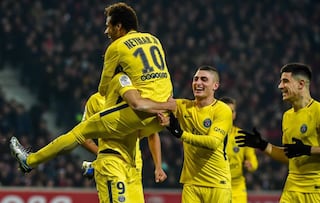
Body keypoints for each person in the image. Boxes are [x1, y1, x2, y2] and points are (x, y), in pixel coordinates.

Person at [10, 0, 174, 193]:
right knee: (126, 136)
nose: (106, 32)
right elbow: (162, 78)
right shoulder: (155, 40)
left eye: (108, 26)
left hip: (139, 111)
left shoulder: (117, 47)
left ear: (118, 26)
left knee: (80, 132)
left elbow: (103, 89)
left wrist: (121, 80)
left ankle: (30, 161)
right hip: (163, 114)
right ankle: (96, 166)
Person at [236, 63, 320, 203]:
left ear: (301, 84)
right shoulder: (287, 116)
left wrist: (307, 149)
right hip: (292, 187)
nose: (280, 86)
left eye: (285, 81)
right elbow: (290, 155)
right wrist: (263, 145)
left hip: (317, 188)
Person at [158, 65, 233, 203]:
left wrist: (181, 134)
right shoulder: (184, 106)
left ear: (215, 86)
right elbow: (159, 105)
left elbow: (213, 142)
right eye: (196, 79)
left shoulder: (222, 110)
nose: (198, 83)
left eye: (204, 79)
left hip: (217, 184)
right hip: (191, 184)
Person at [80, 92, 167, 202]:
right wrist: (104, 154)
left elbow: (152, 133)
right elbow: (82, 135)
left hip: (134, 170)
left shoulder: (138, 99)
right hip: (112, 166)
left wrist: (158, 166)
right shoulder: (96, 100)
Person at [220, 96, 258, 203]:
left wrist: (251, 165)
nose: (230, 114)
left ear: (235, 114)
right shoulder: (211, 135)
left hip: (237, 187)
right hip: (217, 185)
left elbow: (253, 160)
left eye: (232, 111)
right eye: (227, 111)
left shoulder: (243, 136)